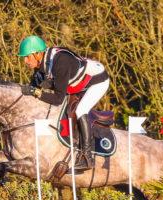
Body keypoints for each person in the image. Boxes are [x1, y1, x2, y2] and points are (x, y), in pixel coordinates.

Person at [18, 35, 110, 170]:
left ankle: (87, 157)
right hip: (79, 83)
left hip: (97, 80)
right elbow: (35, 85)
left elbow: (57, 99)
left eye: (27, 57)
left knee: (80, 110)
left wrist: (35, 92)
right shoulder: (42, 63)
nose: (25, 61)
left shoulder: (61, 62)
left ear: (37, 54)